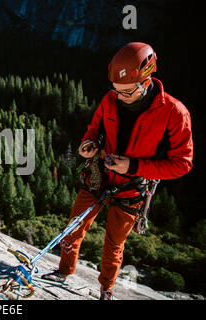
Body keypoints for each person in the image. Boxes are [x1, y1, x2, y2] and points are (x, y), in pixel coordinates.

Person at [42, 42, 193, 300]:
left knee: (114, 243)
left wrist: (133, 166)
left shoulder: (173, 112)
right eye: (116, 90)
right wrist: (89, 144)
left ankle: (106, 289)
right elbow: (95, 128)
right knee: (74, 226)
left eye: (127, 91)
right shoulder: (111, 99)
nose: (120, 96)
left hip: (132, 186)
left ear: (146, 81)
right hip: (99, 174)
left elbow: (182, 163)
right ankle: (63, 270)